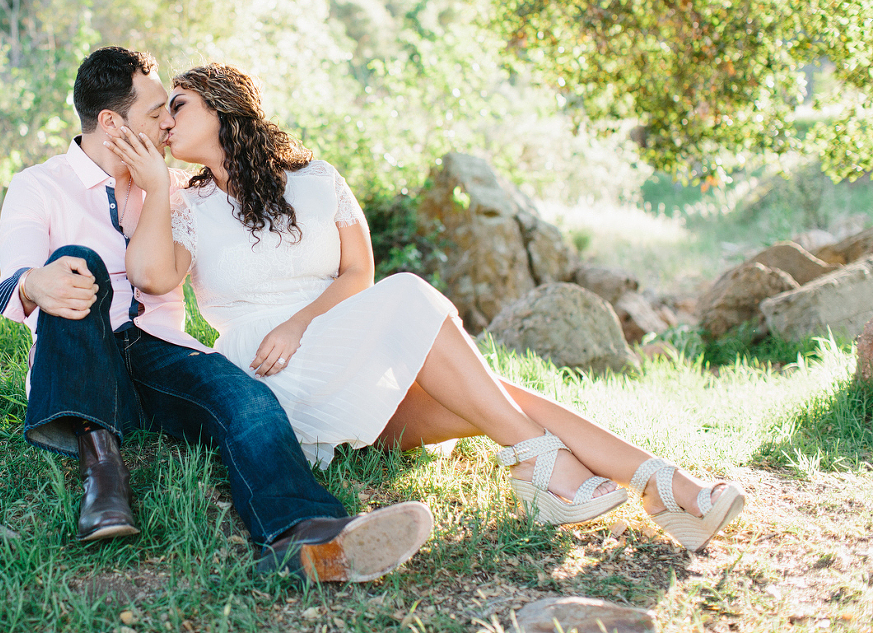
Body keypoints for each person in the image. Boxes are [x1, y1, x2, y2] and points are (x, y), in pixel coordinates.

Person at [108, 62, 746, 552]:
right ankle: (555, 466)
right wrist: (158, 189)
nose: (164, 123)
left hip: (338, 340)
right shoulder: (190, 207)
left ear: (223, 109)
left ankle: (666, 488)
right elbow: (151, 276)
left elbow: (359, 272)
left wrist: (301, 322)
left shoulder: (316, 180)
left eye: (178, 107)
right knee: (432, 317)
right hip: (271, 373)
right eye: (161, 116)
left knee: (500, 396)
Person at [0, 46, 434, 583]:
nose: (167, 123)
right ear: (111, 121)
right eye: (156, 113)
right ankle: (101, 461)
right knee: (75, 264)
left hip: (157, 350)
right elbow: (10, 283)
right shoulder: (39, 185)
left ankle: (302, 534)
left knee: (247, 401)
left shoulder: (174, 188)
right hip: (81, 353)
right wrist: (36, 281)